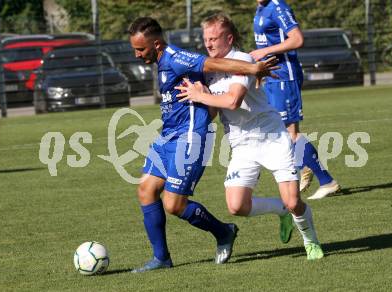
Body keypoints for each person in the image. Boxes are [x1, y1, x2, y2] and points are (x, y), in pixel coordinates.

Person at [128, 16, 278, 272]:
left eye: (140, 49)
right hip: (168, 136)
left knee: (174, 204)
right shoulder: (162, 60)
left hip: (190, 138)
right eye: (134, 49)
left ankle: (224, 233)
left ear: (156, 45)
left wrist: (252, 68)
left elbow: (212, 63)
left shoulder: (175, 57)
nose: (137, 54)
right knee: (145, 190)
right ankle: (161, 259)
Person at [176, 13, 324, 260]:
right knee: (236, 206)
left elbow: (233, 101)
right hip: (242, 145)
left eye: (214, 39)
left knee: (294, 200)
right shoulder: (209, 70)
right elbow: (214, 112)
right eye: (206, 39)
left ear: (229, 38)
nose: (209, 44)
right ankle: (281, 211)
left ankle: (311, 240)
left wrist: (200, 96)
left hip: (272, 137)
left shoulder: (242, 60)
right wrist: (201, 93)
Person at [250, 0, 341, 200]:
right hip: (273, 78)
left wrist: (265, 51)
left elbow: (297, 39)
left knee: (290, 133)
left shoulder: (278, 7)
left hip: (285, 76)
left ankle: (327, 181)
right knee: (278, 131)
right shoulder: (261, 8)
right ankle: (304, 166)